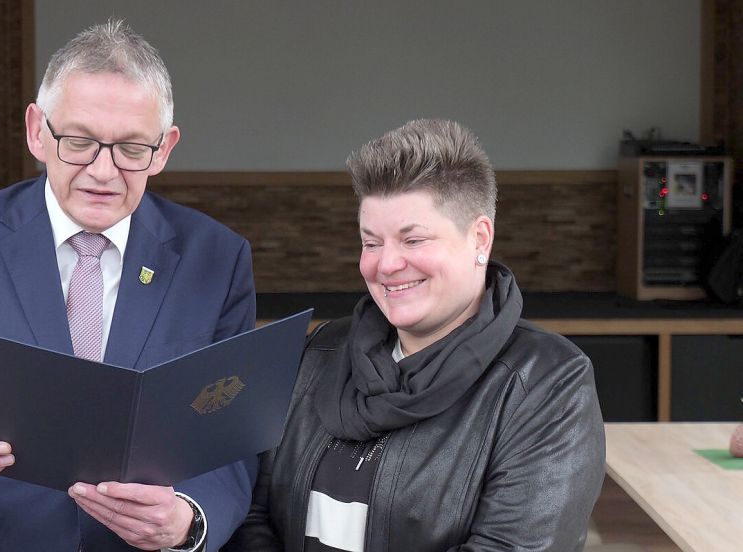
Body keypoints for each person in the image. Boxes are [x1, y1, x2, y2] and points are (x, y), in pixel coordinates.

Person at [0, 20, 256, 552]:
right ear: (37, 131)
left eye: (132, 148)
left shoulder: (217, 258)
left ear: (165, 148)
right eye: (79, 142)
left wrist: (189, 520)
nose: (104, 172)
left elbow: (231, 442)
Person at [224, 119, 605, 551]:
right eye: (371, 243)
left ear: (480, 238)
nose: (386, 265)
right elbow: (252, 513)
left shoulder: (546, 382)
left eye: (414, 240)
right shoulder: (321, 351)